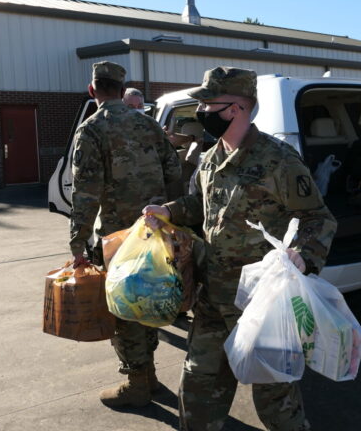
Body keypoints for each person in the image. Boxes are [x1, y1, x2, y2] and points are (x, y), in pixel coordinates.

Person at [144, 66, 337, 431]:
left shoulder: (278, 160)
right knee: (198, 391)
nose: (201, 111)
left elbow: (318, 219)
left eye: (208, 103)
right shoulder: (211, 157)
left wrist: (304, 257)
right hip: (212, 297)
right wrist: (168, 211)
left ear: (237, 108)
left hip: (261, 304)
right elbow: (198, 205)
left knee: (275, 399)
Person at [69, 61, 181, 407]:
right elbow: (174, 170)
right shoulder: (148, 124)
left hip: (117, 238)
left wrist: (77, 240)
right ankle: (148, 376)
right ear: (121, 90)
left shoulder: (91, 130)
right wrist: (169, 215)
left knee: (123, 306)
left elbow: (85, 191)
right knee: (149, 299)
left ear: (92, 91)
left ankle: (137, 383)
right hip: (154, 230)